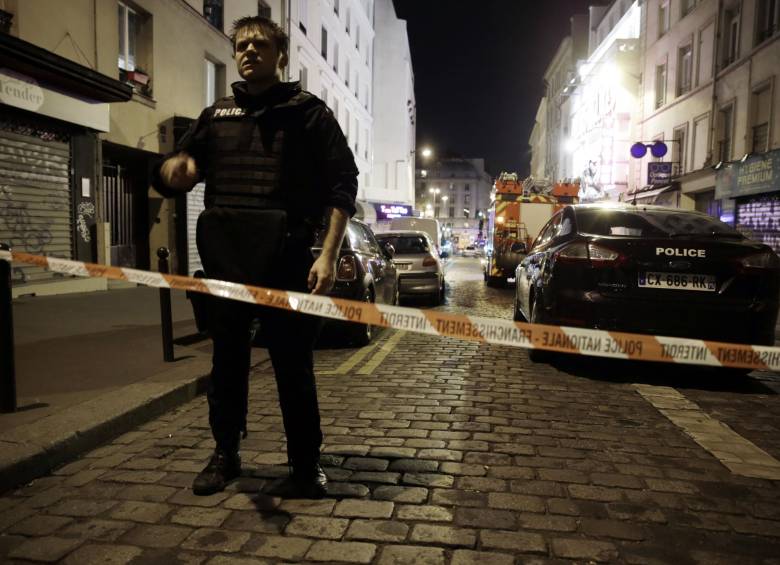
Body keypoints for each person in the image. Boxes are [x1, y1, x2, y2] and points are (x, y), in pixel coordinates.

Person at [152, 15, 358, 498]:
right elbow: (173, 170)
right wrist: (171, 170)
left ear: (279, 55)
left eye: (259, 44)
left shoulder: (309, 113)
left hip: (285, 261)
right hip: (227, 263)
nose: (248, 51)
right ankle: (225, 455)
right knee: (227, 364)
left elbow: (342, 184)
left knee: (293, 366)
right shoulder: (215, 116)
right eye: (241, 44)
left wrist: (327, 256)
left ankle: (306, 466)